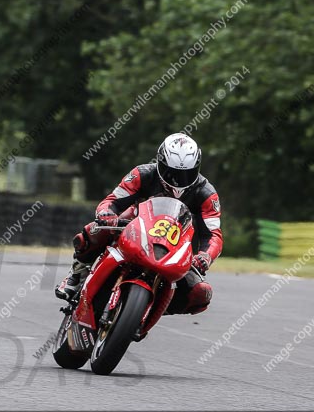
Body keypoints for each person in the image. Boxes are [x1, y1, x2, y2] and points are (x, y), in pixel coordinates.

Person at [55, 133, 222, 315]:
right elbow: (112, 201)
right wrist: (106, 214)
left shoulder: (206, 193)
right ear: (160, 163)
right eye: (171, 172)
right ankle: (77, 274)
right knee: (95, 230)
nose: (178, 180)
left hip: (175, 249)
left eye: (187, 174)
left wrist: (205, 256)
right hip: (135, 230)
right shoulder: (142, 174)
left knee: (201, 293)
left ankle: (151, 308)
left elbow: (213, 234)